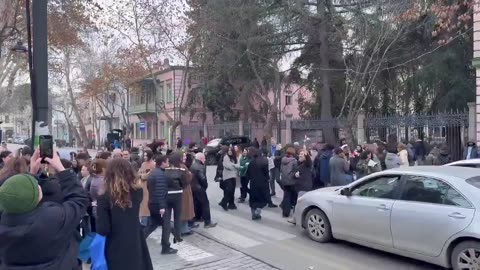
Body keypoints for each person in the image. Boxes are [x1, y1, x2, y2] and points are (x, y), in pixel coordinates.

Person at [0, 150, 89, 270]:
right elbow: (79, 200)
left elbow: (20, 195)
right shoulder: (52, 219)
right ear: (35, 197)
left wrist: (31, 173)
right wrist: (61, 168)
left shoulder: (4, 223)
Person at [96, 158, 153, 270]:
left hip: (115, 243)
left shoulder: (104, 196)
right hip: (135, 239)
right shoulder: (137, 192)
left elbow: (103, 228)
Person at [162, 153, 189, 253]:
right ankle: (177, 236)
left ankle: (166, 238)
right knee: (177, 217)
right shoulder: (181, 171)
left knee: (167, 219)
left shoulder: (164, 171)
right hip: (177, 195)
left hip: (166, 195)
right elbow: (185, 183)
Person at [143, 155, 169, 239]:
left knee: (153, 224)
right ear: (162, 163)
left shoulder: (153, 172)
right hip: (158, 204)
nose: (168, 163)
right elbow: (160, 191)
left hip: (152, 202)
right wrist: (162, 207)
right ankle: (166, 247)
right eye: (167, 162)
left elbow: (149, 187)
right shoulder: (160, 174)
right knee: (165, 224)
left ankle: (140, 239)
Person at [190, 153, 217, 228]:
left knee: (196, 203)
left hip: (193, 187)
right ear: (201, 158)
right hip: (199, 188)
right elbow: (203, 179)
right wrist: (205, 186)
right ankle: (207, 222)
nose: (205, 160)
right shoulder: (201, 167)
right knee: (205, 204)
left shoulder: (193, 165)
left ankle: (197, 217)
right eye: (204, 158)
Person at [288, 150, 313, 224]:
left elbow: (309, 161)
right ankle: (298, 218)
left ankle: (295, 218)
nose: (299, 156)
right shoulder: (299, 164)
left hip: (304, 187)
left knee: (299, 204)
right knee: (301, 203)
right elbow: (293, 174)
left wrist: (307, 155)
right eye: (299, 154)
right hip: (300, 186)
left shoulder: (307, 164)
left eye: (302, 155)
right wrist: (295, 175)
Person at [245, 147, 269, 220]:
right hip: (262, 183)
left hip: (253, 183)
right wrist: (267, 179)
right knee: (261, 199)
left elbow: (247, 174)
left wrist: (246, 183)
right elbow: (266, 173)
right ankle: (258, 212)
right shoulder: (264, 162)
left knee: (253, 199)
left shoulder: (251, 162)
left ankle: (253, 214)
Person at [177, 152, 195, 235]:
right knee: (185, 210)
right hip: (184, 190)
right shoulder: (182, 166)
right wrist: (190, 175)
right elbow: (186, 178)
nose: (185, 158)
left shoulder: (178, 165)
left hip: (183, 190)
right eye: (183, 156)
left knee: (184, 210)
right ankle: (183, 229)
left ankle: (184, 228)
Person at [89, 158, 107, 232]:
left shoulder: (94, 179)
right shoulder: (102, 181)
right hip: (100, 210)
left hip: (96, 209)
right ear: (103, 169)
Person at [219, 147, 239, 211]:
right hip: (227, 177)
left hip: (233, 176)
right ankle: (224, 203)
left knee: (232, 190)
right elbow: (228, 166)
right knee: (229, 190)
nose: (230, 151)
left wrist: (234, 166)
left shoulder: (235, 157)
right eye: (229, 150)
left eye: (231, 150)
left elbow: (238, 165)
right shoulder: (226, 157)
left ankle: (231, 204)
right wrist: (234, 166)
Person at [280, 147, 297, 217]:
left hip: (284, 180)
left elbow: (281, 170)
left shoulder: (283, 160)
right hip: (292, 181)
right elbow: (295, 170)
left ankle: (285, 212)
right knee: (293, 196)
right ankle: (292, 211)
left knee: (286, 196)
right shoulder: (294, 161)